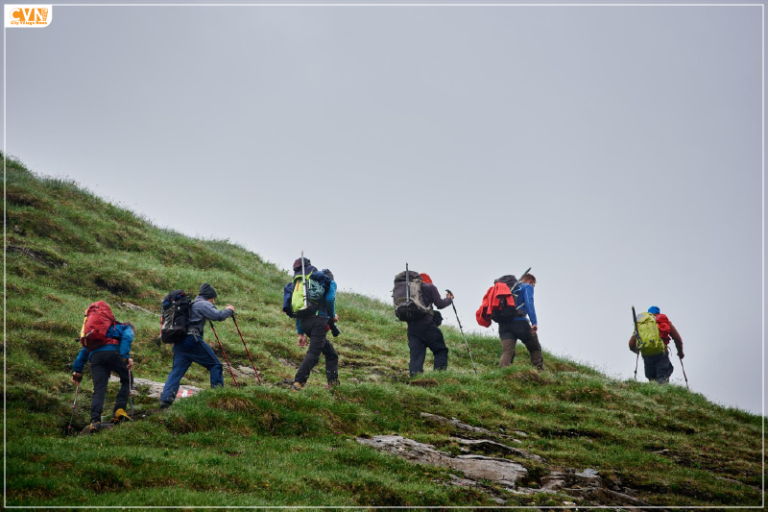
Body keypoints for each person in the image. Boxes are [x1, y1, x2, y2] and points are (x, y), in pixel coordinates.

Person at [159, 283, 234, 408]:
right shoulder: (203, 304)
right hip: (192, 340)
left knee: (176, 372)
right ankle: (218, 397)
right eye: (213, 299)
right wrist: (229, 310)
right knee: (215, 365)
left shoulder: (191, 304)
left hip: (180, 342)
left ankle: (166, 400)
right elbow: (218, 316)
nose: (213, 302)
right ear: (210, 297)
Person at [72, 318, 135, 434]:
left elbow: (85, 348)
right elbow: (127, 338)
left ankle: (95, 421)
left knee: (99, 389)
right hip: (113, 353)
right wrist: (125, 356)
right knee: (128, 379)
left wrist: (77, 369)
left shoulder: (97, 331)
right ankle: (119, 410)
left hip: (96, 357)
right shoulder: (125, 328)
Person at [289, 258, 339, 391]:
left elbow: (298, 310)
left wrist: (300, 332)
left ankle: (333, 385)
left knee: (331, 353)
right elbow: (329, 299)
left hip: (305, 323)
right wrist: (332, 315)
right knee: (314, 354)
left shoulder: (305, 283)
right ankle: (298, 383)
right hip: (319, 321)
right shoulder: (328, 282)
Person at [478, 273, 543, 370]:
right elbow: (529, 303)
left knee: (507, 352)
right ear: (530, 281)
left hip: (504, 325)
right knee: (535, 348)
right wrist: (534, 323)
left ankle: (503, 376)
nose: (532, 286)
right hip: (520, 323)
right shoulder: (526, 287)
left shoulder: (506, 290)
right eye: (533, 284)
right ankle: (540, 374)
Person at [406, 273, 454, 377]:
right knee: (440, 350)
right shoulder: (429, 287)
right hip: (427, 325)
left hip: (412, 328)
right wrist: (449, 299)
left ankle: (415, 379)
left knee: (416, 356)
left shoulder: (408, 291)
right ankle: (439, 376)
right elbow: (440, 304)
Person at [629, 306, 683, 384]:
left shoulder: (642, 324)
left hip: (647, 354)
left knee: (652, 379)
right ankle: (663, 394)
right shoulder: (663, 321)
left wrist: (638, 351)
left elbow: (631, 345)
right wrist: (680, 353)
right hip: (661, 353)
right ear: (658, 313)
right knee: (663, 377)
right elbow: (678, 339)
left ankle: (653, 394)